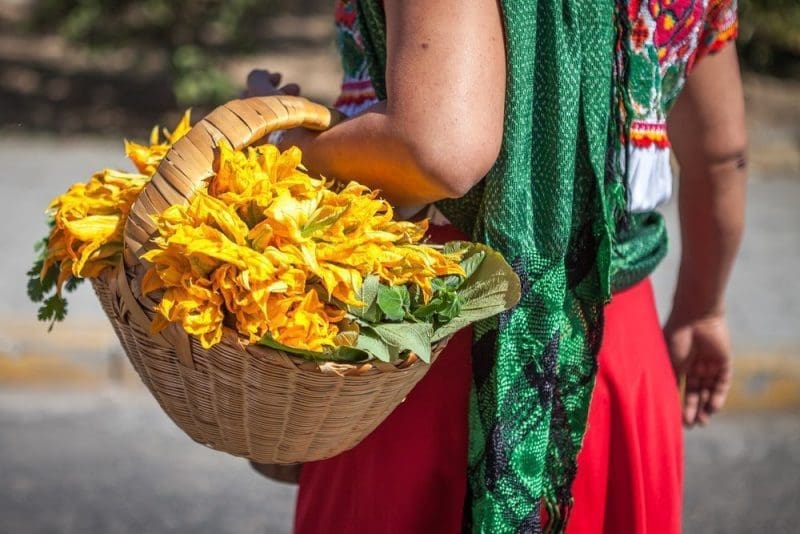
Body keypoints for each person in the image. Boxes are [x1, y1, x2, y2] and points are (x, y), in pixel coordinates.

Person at [247, 0, 746, 532]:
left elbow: (435, 152)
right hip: (610, 346)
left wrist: (279, 145)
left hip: (429, 335)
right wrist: (701, 307)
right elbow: (721, 153)